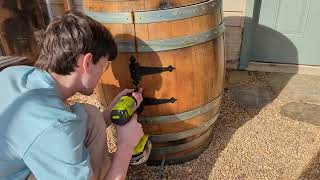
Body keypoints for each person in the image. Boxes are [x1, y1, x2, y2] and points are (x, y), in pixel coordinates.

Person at [0, 10, 144, 180]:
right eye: (104, 67)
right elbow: (55, 130)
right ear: (87, 62)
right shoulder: (55, 125)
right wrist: (126, 145)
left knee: (90, 114)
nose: (102, 73)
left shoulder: (16, 74)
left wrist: (110, 114)